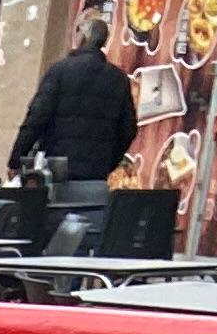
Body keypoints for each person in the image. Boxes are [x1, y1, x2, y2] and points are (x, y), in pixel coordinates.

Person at [9, 16, 135, 209]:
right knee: (90, 232)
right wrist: (108, 162)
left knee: (56, 233)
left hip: (58, 176)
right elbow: (128, 129)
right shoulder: (118, 79)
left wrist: (16, 160)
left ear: (81, 37)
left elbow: (36, 119)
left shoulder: (60, 71)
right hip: (96, 179)